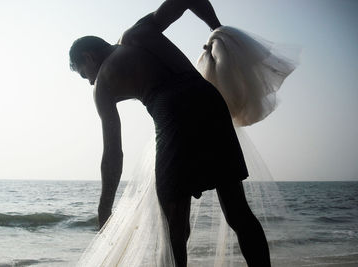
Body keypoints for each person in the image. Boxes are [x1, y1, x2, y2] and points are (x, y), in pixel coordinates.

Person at [69, 0, 271, 266]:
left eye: (86, 75)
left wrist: (105, 207)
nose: (91, 81)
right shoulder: (137, 33)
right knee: (238, 212)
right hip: (209, 102)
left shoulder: (103, 84)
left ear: (88, 57)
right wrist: (217, 31)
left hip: (173, 114)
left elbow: (113, 153)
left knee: (174, 230)